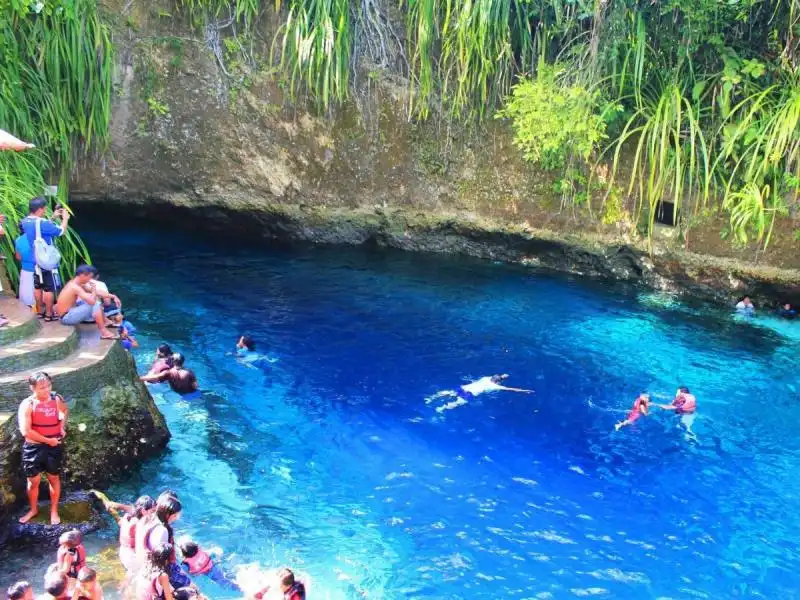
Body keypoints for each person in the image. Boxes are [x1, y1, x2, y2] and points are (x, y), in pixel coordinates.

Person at [17, 372, 67, 524]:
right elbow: (26, 431)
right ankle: (33, 509)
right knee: (33, 481)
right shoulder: (28, 404)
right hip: (34, 447)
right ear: (32, 388)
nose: (46, 390)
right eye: (41, 388)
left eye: (48, 386)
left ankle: (53, 511)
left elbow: (64, 411)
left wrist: (62, 426)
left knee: (53, 477)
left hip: (54, 446)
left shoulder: (56, 398)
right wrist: (47, 440)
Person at [21, 198, 70, 320]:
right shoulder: (43, 223)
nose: (45, 210)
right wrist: (65, 219)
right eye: (44, 208)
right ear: (40, 209)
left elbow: (39, 229)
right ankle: (48, 314)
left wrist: (52, 218)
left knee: (38, 287)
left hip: (35, 259)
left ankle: (39, 311)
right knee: (48, 288)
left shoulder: (25, 221)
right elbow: (61, 231)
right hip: (46, 260)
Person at [135, 493, 191, 589]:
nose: (177, 518)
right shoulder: (162, 531)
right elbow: (161, 559)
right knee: (192, 587)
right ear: (168, 514)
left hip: (143, 565)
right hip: (155, 569)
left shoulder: (149, 519)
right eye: (175, 516)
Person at [95, 492, 155, 572]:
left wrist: (115, 505)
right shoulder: (138, 525)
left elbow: (130, 510)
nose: (154, 514)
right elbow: (143, 547)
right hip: (131, 559)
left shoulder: (127, 517)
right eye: (153, 511)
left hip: (123, 552)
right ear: (144, 511)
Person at [54, 265, 116, 339]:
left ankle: (106, 321)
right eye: (90, 277)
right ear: (83, 275)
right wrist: (93, 291)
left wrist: (113, 296)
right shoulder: (74, 287)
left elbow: (98, 292)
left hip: (68, 314)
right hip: (66, 318)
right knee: (95, 304)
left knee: (90, 302)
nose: (90, 279)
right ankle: (104, 331)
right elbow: (92, 302)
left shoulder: (75, 283)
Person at [429, 374, 534, 413]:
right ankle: (441, 408)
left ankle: (431, 398)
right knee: (457, 403)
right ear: (497, 382)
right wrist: (525, 391)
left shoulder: (485, 378)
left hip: (463, 388)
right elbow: (511, 389)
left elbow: (498, 376)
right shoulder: (495, 386)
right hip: (469, 394)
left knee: (449, 392)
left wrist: (502, 376)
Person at [15, 223, 36, 308]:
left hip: (25, 269)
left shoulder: (18, 240)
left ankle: (26, 310)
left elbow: (18, 257)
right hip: (36, 269)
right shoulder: (36, 238)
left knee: (25, 291)